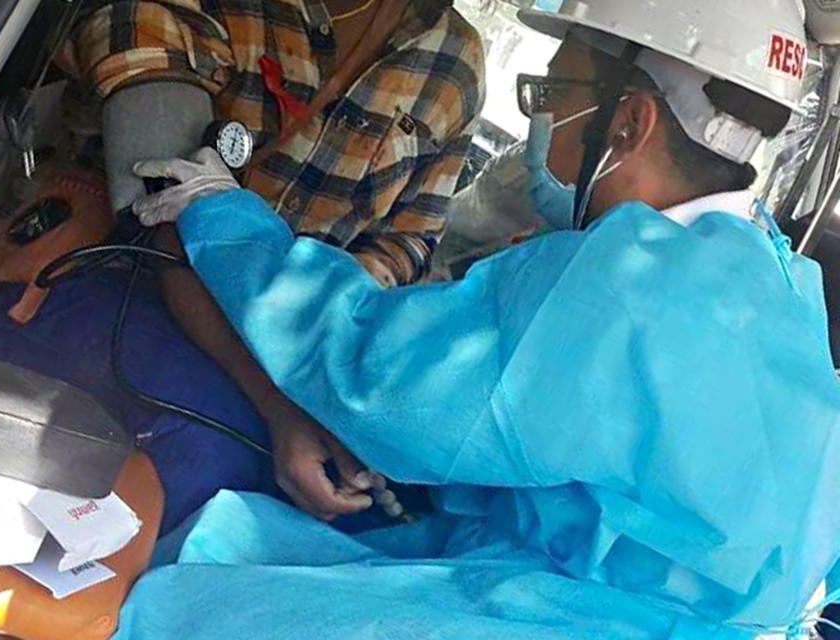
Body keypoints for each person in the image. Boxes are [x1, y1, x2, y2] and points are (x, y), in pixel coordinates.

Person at [113, 0, 840, 637]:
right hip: (656, 606)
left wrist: (224, 215)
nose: (540, 124)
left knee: (190, 609)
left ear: (628, 121)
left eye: (551, 92)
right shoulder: (778, 278)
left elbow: (373, 371)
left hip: (581, 610)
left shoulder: (624, 282)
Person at [61, 0, 485, 520]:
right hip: (134, 293)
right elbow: (156, 219)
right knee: (205, 474)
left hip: (301, 351)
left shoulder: (455, 61)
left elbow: (406, 245)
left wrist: (332, 386)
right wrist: (282, 407)